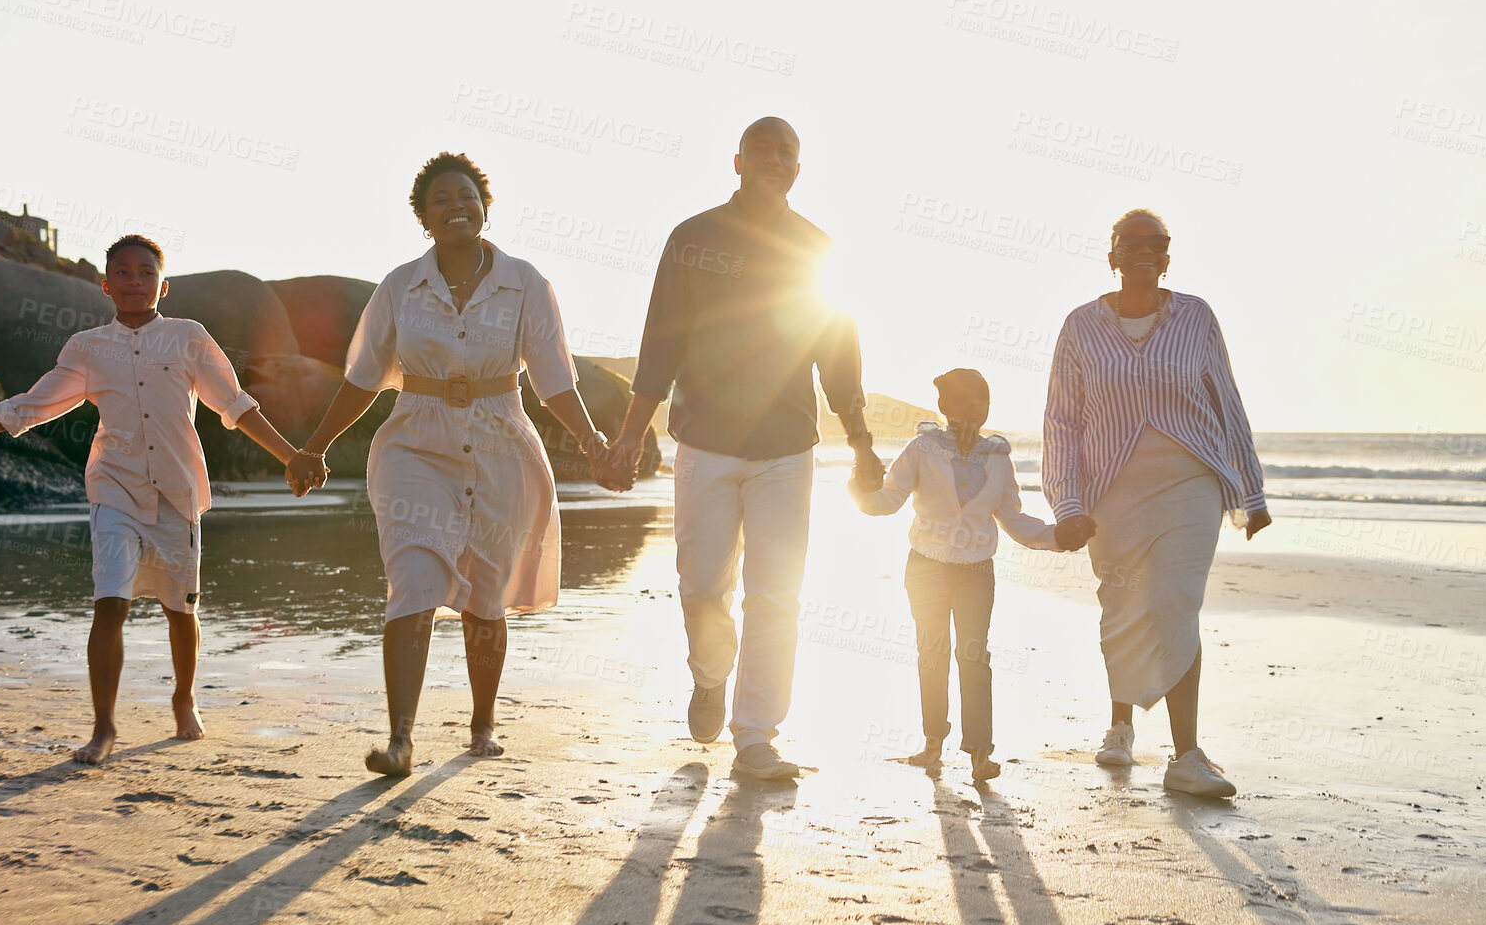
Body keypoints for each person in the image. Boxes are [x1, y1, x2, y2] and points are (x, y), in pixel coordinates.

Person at [285, 152, 624, 776]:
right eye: (440, 200)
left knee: (485, 599)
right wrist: (316, 446)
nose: (455, 207)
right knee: (413, 582)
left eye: (466, 196)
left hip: (501, 448)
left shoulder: (526, 282)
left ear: (485, 205)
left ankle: (482, 722)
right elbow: (362, 380)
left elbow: (554, 382)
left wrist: (595, 445)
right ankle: (401, 741)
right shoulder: (398, 287)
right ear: (422, 216)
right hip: (416, 446)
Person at [0, 235, 298, 764]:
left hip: (177, 491)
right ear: (106, 284)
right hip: (114, 488)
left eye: (146, 273)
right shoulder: (88, 348)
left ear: (163, 284)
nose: (135, 281)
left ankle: (183, 698)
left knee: (181, 609)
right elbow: (31, 407)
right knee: (110, 603)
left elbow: (235, 404)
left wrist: (291, 455)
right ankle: (104, 727)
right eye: (124, 273)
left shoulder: (189, 337)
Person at [604, 117, 884, 781]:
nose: (774, 158)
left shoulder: (816, 251)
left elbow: (839, 360)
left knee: (775, 593)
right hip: (704, 442)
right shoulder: (693, 240)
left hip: (786, 450)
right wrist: (630, 431)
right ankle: (709, 673)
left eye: (787, 151)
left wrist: (863, 445)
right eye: (762, 148)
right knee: (701, 588)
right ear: (736, 161)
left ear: (798, 168)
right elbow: (659, 343)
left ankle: (755, 734)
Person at [1042, 208, 1271, 799]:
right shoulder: (1079, 327)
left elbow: (1227, 400)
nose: (1147, 251)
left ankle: (1187, 755)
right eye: (1134, 242)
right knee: (1123, 605)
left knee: (1172, 605)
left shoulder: (1196, 317)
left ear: (1169, 255)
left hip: (1190, 483)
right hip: (1110, 491)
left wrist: (1252, 489)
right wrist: (1067, 502)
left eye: (1159, 243)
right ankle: (1121, 724)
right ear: (1112, 254)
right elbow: (1062, 423)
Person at [852, 369, 1060, 781]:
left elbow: (1014, 519)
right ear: (944, 406)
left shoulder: (998, 457)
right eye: (963, 401)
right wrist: (859, 489)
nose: (973, 408)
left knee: (974, 656)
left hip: (976, 571)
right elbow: (888, 500)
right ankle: (932, 744)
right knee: (932, 655)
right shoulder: (922, 448)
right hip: (926, 566)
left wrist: (1059, 536)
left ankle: (980, 753)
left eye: (981, 400)